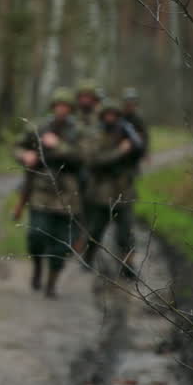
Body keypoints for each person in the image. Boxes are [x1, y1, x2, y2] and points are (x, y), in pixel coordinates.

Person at [15, 88, 84, 297]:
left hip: (68, 194)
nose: (61, 110)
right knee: (36, 235)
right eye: (58, 106)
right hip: (41, 191)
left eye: (65, 106)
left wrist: (59, 146)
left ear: (71, 109)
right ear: (53, 107)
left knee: (61, 244)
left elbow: (86, 156)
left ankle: (52, 282)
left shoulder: (79, 131)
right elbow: (18, 146)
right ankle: (37, 266)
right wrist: (24, 155)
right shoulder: (39, 127)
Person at [80, 102, 145, 277]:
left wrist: (135, 143)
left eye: (114, 115)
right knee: (96, 230)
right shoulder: (95, 135)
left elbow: (138, 153)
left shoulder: (125, 132)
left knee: (126, 233)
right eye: (107, 115)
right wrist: (120, 151)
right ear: (102, 117)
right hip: (101, 192)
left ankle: (128, 266)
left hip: (123, 191)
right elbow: (94, 160)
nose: (111, 118)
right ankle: (87, 258)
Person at [122, 87, 149, 167]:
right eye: (128, 102)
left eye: (133, 102)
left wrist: (145, 152)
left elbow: (145, 136)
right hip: (122, 151)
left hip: (135, 152)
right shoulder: (120, 116)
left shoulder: (139, 119)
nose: (130, 105)